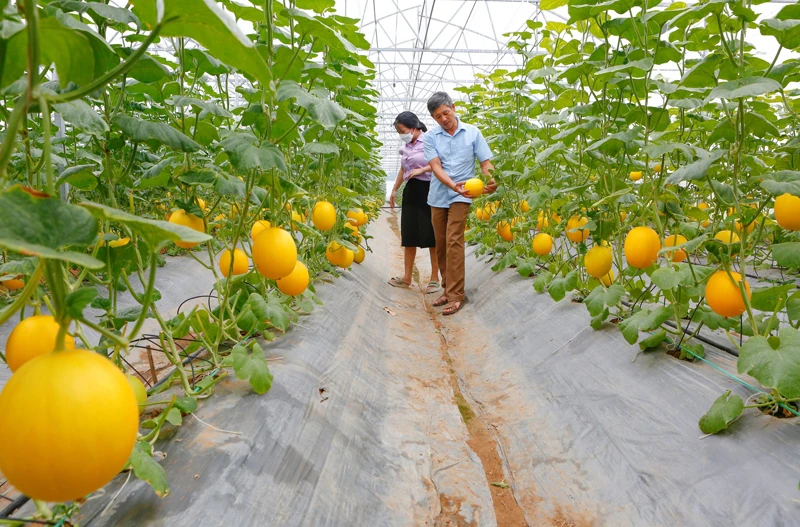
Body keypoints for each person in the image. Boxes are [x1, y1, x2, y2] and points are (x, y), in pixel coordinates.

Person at [424, 92, 497, 315]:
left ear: (453, 108)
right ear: (433, 119)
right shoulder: (431, 138)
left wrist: (490, 180)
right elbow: (436, 167)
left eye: (446, 113)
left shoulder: (473, 133)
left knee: (454, 238)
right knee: (441, 242)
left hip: (463, 194)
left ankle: (457, 295)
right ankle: (447, 288)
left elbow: (485, 163)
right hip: (439, 193)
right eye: (438, 117)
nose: (443, 119)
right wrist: (451, 184)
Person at [388, 111, 441, 294]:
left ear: (414, 127)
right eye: (398, 132)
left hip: (428, 190)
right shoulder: (405, 148)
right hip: (410, 191)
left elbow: (439, 162)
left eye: (402, 130)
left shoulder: (430, 140)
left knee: (430, 235)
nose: (401, 134)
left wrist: (422, 170)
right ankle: (407, 277)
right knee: (409, 235)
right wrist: (395, 189)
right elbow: (403, 170)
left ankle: (435, 278)